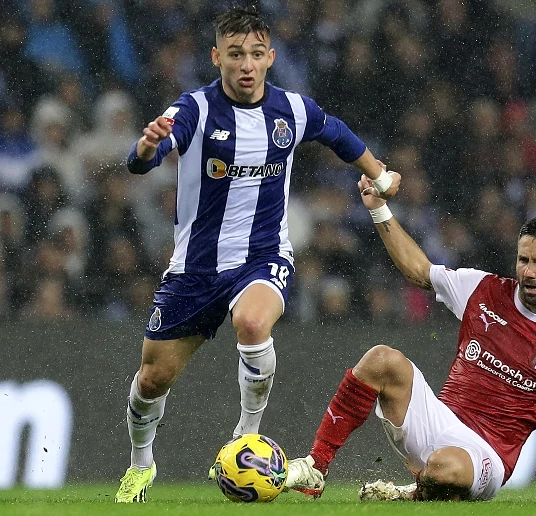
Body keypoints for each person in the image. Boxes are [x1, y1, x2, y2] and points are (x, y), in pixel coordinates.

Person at [114, 7, 400, 503]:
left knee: (252, 324)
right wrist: (145, 147)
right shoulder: (196, 108)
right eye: (234, 55)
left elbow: (337, 134)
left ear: (270, 57)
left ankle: (244, 438)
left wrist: (379, 173)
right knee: (152, 378)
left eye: (254, 55)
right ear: (215, 57)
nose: (245, 65)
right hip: (195, 269)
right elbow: (149, 157)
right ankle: (141, 464)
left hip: (263, 256)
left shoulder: (291, 109)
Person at [279, 178, 536, 502]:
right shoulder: (482, 289)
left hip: (486, 455)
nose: (529, 272)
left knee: (443, 468)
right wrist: (379, 208)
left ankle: (415, 494)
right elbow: (419, 271)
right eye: (523, 260)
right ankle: (316, 465)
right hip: (439, 419)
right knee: (381, 358)